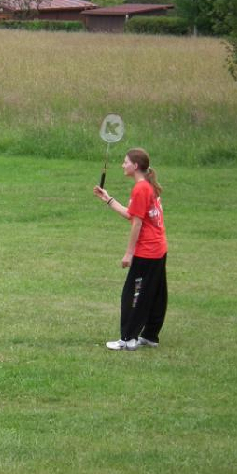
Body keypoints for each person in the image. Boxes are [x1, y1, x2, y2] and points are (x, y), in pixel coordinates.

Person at [93, 148, 168, 351]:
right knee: (155, 294)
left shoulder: (141, 189)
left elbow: (137, 224)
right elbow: (131, 215)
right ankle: (150, 335)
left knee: (133, 295)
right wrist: (108, 199)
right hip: (159, 249)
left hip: (147, 252)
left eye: (125, 162)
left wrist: (129, 253)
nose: (122, 165)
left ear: (135, 166)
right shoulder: (146, 187)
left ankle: (128, 339)